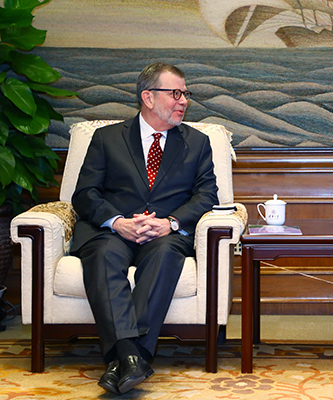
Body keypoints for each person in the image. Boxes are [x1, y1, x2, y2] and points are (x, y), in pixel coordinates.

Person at [70, 62, 218, 394]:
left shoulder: (197, 143)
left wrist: (171, 223)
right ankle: (132, 355)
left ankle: (123, 358)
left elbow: (207, 194)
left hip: (164, 233)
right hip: (113, 230)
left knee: (166, 255)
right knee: (103, 254)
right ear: (148, 97)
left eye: (186, 94)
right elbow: (85, 193)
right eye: (175, 93)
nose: (184, 101)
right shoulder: (107, 138)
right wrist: (117, 222)